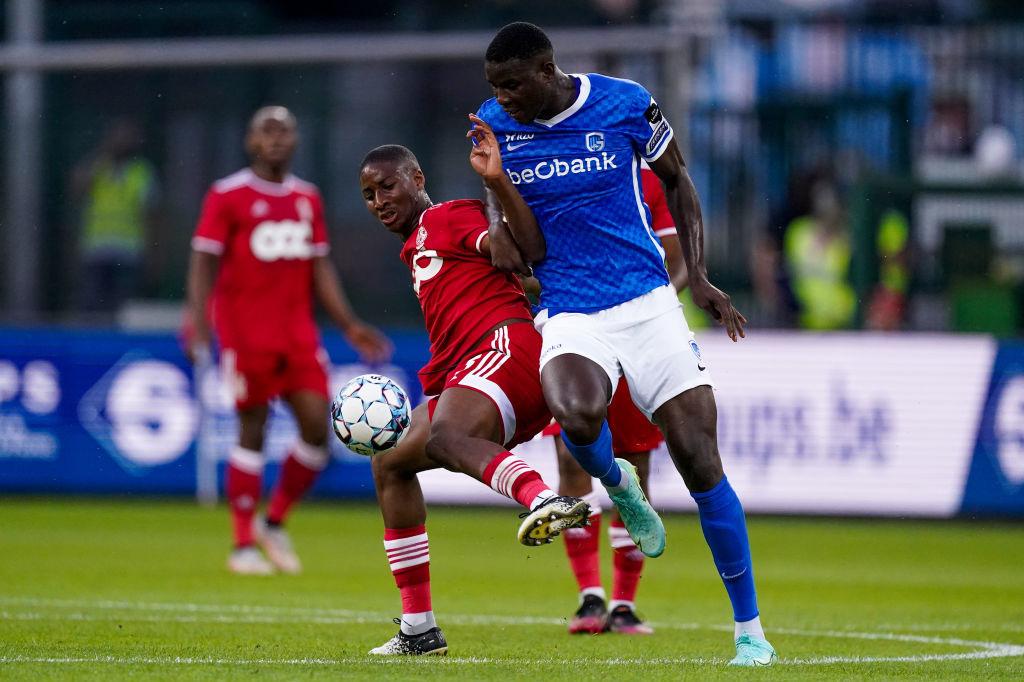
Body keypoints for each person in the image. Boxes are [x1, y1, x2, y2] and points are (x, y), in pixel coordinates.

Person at [473, 22, 777, 665]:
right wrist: (497, 188)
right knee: (574, 413)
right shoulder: (495, 126)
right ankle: (619, 486)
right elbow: (520, 250)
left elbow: (680, 182)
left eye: (513, 84)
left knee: (700, 460)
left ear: (547, 69)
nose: (503, 97)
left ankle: (750, 632)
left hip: (647, 305)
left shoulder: (625, 101)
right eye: (494, 86)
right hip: (570, 310)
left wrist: (697, 274)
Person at [359, 143, 591, 656]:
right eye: (369, 195)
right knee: (391, 462)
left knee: (447, 437)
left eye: (388, 186)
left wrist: (493, 189)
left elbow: (507, 252)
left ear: (418, 178)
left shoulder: (447, 217)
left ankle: (543, 498)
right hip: (476, 369)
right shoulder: (418, 242)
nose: (378, 200)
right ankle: (418, 630)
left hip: (505, 349)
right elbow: (514, 273)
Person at [184, 106, 393, 576]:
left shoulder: (307, 198)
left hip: (298, 335)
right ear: (250, 142)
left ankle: (273, 521)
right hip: (246, 334)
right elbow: (203, 263)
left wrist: (349, 324)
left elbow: (320, 266)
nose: (276, 139)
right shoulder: (228, 195)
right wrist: (198, 325)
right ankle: (241, 545)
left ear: (296, 141)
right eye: (267, 131)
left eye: (284, 131)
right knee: (251, 429)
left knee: (319, 431)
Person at [551, 165, 689, 636]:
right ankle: (590, 598)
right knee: (572, 466)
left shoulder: (647, 179)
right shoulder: (555, 169)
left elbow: (679, 260)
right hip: (573, 337)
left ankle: (624, 605)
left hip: (635, 341)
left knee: (633, 469)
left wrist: (648, 313)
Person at [71, 118, 160, 314]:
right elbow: (77, 188)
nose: (122, 142)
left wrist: (152, 254)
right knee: (91, 304)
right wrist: (101, 155)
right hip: (96, 248)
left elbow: (150, 216)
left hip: (128, 250)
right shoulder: (98, 167)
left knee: (123, 307)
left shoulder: (142, 172)